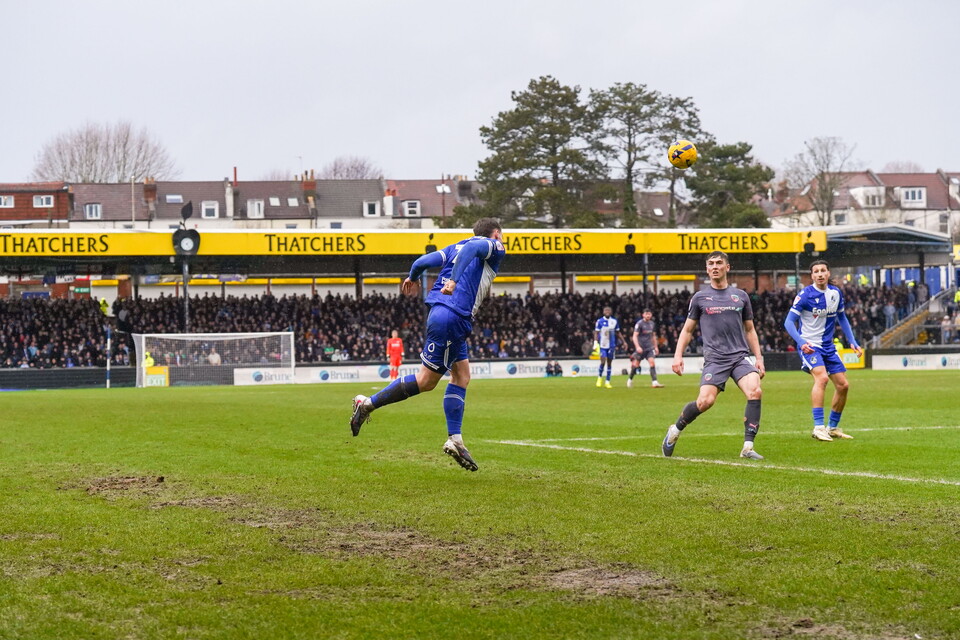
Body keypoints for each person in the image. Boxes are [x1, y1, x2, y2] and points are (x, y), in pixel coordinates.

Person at [349, 218, 506, 472]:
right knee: (426, 381)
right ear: (496, 233)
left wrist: (412, 277)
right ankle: (366, 403)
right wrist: (453, 281)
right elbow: (473, 250)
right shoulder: (493, 245)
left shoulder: (454, 247)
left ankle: (456, 439)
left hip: (448, 316)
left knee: (462, 375)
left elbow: (421, 262)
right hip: (452, 316)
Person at [662, 250, 766, 460]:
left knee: (755, 391)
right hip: (715, 359)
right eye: (711, 263)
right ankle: (675, 430)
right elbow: (687, 330)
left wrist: (759, 358)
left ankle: (747, 447)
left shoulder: (741, 296)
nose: (715, 266)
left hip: (739, 357)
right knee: (705, 402)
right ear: (707, 269)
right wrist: (677, 356)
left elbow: (750, 330)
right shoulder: (700, 298)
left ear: (728, 267)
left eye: (719, 263)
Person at [784, 260, 863, 442]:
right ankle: (818, 427)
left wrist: (852, 341)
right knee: (822, 378)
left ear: (828, 273)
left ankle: (832, 428)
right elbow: (788, 322)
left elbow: (842, 317)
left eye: (823, 271)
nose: (820, 274)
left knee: (843, 385)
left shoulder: (836, 293)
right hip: (810, 345)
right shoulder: (805, 295)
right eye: (816, 271)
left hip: (828, 346)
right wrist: (801, 342)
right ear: (811, 276)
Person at [628, 309, 664, 388]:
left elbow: (653, 336)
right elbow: (634, 336)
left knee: (652, 363)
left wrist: (656, 347)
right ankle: (630, 379)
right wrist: (637, 347)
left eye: (649, 314)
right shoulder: (639, 324)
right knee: (636, 365)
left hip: (649, 348)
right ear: (643, 315)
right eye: (646, 314)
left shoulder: (652, 324)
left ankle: (654, 382)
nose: (648, 315)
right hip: (641, 347)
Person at [594, 306, 625, 388]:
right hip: (603, 345)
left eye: (609, 310)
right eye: (606, 310)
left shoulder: (614, 321)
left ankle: (607, 381)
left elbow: (618, 332)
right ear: (603, 312)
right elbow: (596, 332)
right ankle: (599, 378)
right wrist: (595, 342)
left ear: (611, 312)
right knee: (603, 362)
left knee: (609, 363)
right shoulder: (599, 321)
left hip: (611, 346)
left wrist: (624, 342)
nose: (607, 311)